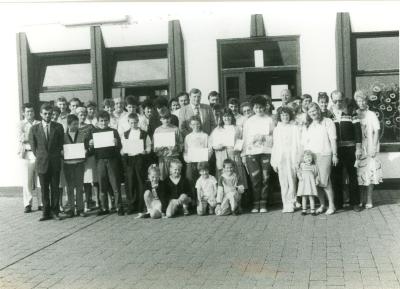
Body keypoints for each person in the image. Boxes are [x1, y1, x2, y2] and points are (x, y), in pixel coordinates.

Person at [29, 103, 65, 221]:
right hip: (42, 163)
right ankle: (46, 212)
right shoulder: (34, 128)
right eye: (45, 113)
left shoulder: (58, 127)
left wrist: (53, 155)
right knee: (44, 189)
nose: (48, 116)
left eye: (50, 114)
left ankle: (55, 212)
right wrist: (41, 156)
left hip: (55, 162)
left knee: (55, 188)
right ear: (40, 114)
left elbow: (60, 144)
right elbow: (34, 147)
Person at [302, 102, 337, 215]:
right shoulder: (309, 125)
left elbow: (333, 139)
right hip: (312, 157)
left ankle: (332, 205)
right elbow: (306, 143)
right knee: (316, 182)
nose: (313, 113)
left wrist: (335, 154)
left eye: (315, 110)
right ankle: (322, 205)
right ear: (308, 113)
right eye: (310, 111)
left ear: (319, 110)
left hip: (325, 154)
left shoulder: (328, 122)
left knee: (325, 181)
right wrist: (305, 158)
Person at [330, 90, 363, 211]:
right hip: (336, 150)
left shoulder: (351, 111)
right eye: (335, 101)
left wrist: (358, 148)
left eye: (340, 100)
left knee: (352, 175)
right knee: (336, 176)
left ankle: (355, 203)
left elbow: (358, 131)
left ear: (344, 99)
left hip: (350, 148)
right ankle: (338, 203)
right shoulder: (329, 114)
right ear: (332, 101)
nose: (338, 103)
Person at [242, 95, 275, 213]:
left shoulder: (269, 120)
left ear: (264, 108)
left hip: (266, 152)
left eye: (261, 107)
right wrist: (244, 154)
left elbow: (274, 136)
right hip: (252, 153)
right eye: (256, 108)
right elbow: (245, 138)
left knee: (265, 178)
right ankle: (256, 203)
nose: (259, 110)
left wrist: (264, 137)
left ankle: (263, 203)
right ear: (253, 108)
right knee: (255, 179)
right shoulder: (248, 121)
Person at [88, 110, 124, 216]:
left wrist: (117, 143)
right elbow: (91, 150)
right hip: (100, 161)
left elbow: (119, 147)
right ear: (97, 121)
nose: (104, 123)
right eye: (101, 121)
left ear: (109, 121)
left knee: (115, 185)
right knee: (102, 185)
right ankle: (104, 207)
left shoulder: (114, 131)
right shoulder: (93, 132)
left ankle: (119, 207)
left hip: (112, 160)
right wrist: (90, 144)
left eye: (106, 121)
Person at [354, 90, 383, 209]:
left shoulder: (371, 114)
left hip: (370, 145)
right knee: (359, 173)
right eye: (359, 101)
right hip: (359, 147)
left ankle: (369, 199)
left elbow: (376, 131)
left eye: (363, 100)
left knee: (370, 172)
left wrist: (374, 147)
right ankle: (360, 199)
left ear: (366, 101)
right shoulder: (354, 113)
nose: (361, 103)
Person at [271, 106, 302, 213]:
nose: (285, 117)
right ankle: (286, 204)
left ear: (290, 116)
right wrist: (274, 161)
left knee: (292, 180)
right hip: (281, 157)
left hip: (291, 156)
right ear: (279, 116)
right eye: (283, 115)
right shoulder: (277, 129)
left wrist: (298, 159)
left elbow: (298, 144)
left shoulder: (294, 128)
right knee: (283, 181)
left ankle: (293, 201)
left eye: (287, 114)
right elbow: (275, 146)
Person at [210, 109, 247, 190]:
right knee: (223, 178)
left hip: (234, 155)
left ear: (232, 117)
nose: (227, 118)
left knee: (236, 176)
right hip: (222, 155)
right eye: (225, 116)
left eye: (229, 116)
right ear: (222, 118)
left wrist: (237, 148)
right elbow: (212, 144)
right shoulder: (217, 129)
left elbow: (242, 141)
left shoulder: (237, 128)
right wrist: (217, 146)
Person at [123, 112, 152, 215]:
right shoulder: (126, 134)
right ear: (128, 122)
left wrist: (146, 151)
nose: (134, 124)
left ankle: (141, 206)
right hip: (130, 160)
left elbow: (149, 146)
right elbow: (123, 147)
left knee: (140, 182)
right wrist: (123, 151)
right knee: (130, 183)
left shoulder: (144, 133)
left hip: (140, 159)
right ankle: (131, 205)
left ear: (138, 122)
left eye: (135, 122)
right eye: (131, 123)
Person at [63, 114, 87, 218]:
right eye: (74, 124)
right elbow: (60, 148)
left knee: (79, 186)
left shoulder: (82, 134)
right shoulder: (63, 136)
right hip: (68, 164)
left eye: (77, 123)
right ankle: (70, 209)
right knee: (69, 187)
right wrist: (62, 152)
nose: (76, 126)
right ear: (68, 125)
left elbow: (86, 147)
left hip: (79, 164)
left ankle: (80, 209)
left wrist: (86, 150)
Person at [183, 116, 212, 202]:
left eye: (197, 123)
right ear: (190, 125)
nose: (196, 125)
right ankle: (194, 202)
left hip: (202, 162)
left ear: (200, 124)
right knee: (191, 180)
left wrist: (205, 158)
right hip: (191, 162)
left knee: (204, 181)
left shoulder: (205, 135)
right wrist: (187, 159)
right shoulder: (188, 137)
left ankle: (204, 202)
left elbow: (210, 149)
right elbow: (185, 151)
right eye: (193, 124)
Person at [18, 103, 41, 213]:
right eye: (27, 111)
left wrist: (30, 137)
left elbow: (41, 138)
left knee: (40, 179)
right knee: (27, 180)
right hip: (26, 153)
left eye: (31, 111)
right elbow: (22, 138)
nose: (30, 113)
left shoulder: (39, 123)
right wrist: (32, 137)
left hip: (37, 153)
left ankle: (41, 203)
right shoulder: (20, 124)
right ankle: (28, 203)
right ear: (23, 113)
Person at [77, 106, 99, 211]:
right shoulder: (72, 128)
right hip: (78, 158)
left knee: (94, 179)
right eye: (80, 114)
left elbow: (96, 140)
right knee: (84, 181)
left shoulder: (90, 127)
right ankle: (87, 202)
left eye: (84, 113)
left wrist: (90, 147)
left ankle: (98, 201)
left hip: (89, 157)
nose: (83, 115)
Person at [153, 109, 183, 181]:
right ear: (160, 119)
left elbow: (181, 144)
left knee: (174, 177)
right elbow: (154, 146)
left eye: (167, 118)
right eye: (163, 119)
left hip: (173, 157)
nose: (166, 120)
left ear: (170, 118)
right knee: (163, 178)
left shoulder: (175, 129)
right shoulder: (157, 130)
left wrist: (175, 148)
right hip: (162, 158)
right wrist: (159, 150)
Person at [296, 150, 319, 216]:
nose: (308, 159)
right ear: (303, 159)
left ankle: (312, 210)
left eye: (310, 158)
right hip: (304, 184)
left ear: (312, 158)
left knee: (311, 197)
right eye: (306, 158)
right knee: (304, 197)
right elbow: (298, 172)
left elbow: (316, 174)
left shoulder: (313, 166)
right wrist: (299, 177)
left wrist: (316, 180)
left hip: (310, 184)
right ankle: (304, 210)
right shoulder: (302, 165)